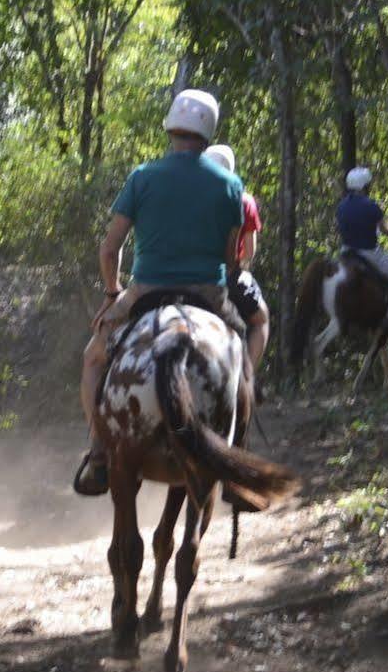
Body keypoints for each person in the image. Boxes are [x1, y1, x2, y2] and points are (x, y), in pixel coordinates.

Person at [75, 89, 244, 497]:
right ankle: (237, 456)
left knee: (93, 358)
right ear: (208, 132)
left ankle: (99, 448)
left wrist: (114, 291)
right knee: (241, 351)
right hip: (208, 293)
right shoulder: (229, 183)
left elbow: (110, 248)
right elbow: (229, 254)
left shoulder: (143, 176)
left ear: (172, 127)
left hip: (146, 291)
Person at [202, 144, 271, 382]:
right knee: (261, 318)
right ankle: (247, 379)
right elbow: (249, 252)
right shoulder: (244, 200)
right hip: (228, 276)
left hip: (188, 274)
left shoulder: (192, 197)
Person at [335, 167, 388, 302]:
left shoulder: (341, 206)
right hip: (368, 253)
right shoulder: (371, 205)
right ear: (364, 186)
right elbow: (385, 231)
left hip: (345, 251)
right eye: (368, 185)